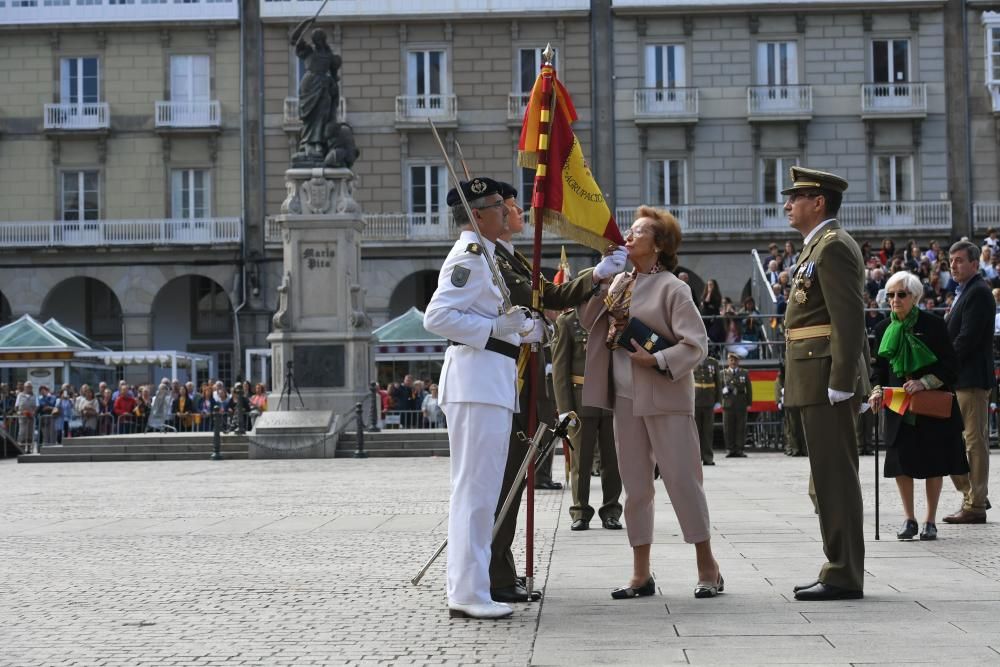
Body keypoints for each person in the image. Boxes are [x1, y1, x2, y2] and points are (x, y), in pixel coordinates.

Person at [488, 181, 624, 604]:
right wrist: (523, 325)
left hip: (517, 386)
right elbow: (535, 299)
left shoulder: (508, 258)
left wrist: (598, 275)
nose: (520, 211)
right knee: (502, 484)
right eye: (510, 206)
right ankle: (495, 574)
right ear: (486, 213)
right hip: (503, 382)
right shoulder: (484, 260)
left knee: (512, 481)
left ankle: (501, 572)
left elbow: (547, 294)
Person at [581, 206, 722, 600]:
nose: (629, 234)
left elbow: (696, 345)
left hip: (665, 395)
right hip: (625, 398)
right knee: (636, 487)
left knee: (683, 482)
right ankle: (640, 574)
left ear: (658, 245)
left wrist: (657, 359)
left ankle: (707, 566)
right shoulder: (618, 283)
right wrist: (599, 275)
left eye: (639, 232)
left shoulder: (674, 289)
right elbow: (588, 319)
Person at [422, 176, 537, 620]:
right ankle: (467, 593)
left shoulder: (488, 256)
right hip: (475, 384)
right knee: (475, 492)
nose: (506, 212)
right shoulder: (469, 258)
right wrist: (494, 329)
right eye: (497, 206)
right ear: (478, 216)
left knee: (482, 493)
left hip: (489, 382)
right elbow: (438, 316)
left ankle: (473, 587)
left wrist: (522, 327)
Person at [781, 166, 868, 601]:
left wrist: (842, 379)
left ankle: (843, 572)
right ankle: (839, 566)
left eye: (795, 198)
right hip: (811, 373)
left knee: (835, 477)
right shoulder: (816, 246)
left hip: (824, 376)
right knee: (826, 478)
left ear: (819, 202)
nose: (787, 205)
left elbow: (847, 317)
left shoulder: (831, 247)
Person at [869, 271, 969, 541]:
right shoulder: (881, 329)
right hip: (898, 408)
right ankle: (909, 518)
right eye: (890, 295)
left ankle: (930, 520)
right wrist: (876, 391)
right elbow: (877, 370)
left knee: (933, 463)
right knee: (902, 464)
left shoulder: (934, 325)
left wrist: (925, 382)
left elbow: (951, 365)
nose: (895, 300)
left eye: (901, 294)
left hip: (930, 406)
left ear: (915, 297)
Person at [552, 305, 623, 530]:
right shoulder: (568, 321)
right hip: (580, 401)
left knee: (612, 461)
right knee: (580, 462)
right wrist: (564, 408)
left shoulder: (614, 318)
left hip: (611, 400)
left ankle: (611, 510)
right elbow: (560, 368)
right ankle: (580, 511)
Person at [942, 240, 995, 524]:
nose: (953, 265)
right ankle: (974, 493)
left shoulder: (979, 293)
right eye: (951, 260)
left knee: (973, 442)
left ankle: (975, 504)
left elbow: (966, 339)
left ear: (975, 263)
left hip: (971, 378)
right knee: (954, 441)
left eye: (960, 260)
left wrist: (941, 366)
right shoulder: (964, 292)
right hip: (960, 379)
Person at [720, 352, 752, 458]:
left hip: (741, 402)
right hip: (728, 403)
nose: (733, 362)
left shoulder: (744, 373)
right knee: (728, 427)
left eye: (735, 360)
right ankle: (730, 449)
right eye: (731, 360)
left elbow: (749, 389)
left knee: (740, 427)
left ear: (738, 361)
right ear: (728, 361)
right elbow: (717, 388)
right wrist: (722, 392)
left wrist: (749, 402)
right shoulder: (723, 373)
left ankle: (739, 449)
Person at [693, 354, 722, 465]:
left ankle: (708, 457)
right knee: (696, 431)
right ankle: (696, 458)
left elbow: (718, 382)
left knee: (708, 431)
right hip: (696, 400)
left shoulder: (713, 363)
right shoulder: (693, 358)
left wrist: (718, 400)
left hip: (709, 400)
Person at [14, 381, 36, 450]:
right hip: (22, 417)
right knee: (22, 432)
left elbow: (36, 406)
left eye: (30, 387)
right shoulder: (20, 395)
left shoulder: (34, 396)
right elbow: (16, 406)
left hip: (31, 418)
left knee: (30, 433)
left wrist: (33, 412)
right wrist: (19, 412)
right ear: (24, 387)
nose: (29, 388)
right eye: (27, 387)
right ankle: (22, 448)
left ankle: (29, 448)